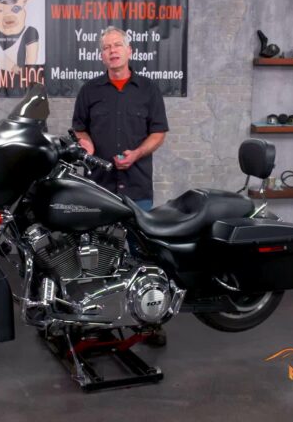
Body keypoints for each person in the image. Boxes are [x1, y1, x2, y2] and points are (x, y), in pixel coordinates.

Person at [72, 26, 169, 346]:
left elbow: (158, 132)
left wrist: (137, 153)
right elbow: (79, 129)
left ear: (129, 51)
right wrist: (86, 144)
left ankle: (150, 321)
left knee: (143, 255)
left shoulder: (148, 90)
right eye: (106, 47)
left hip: (137, 186)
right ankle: (100, 318)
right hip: (99, 187)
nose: (112, 51)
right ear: (101, 55)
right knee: (101, 257)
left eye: (117, 45)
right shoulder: (89, 91)